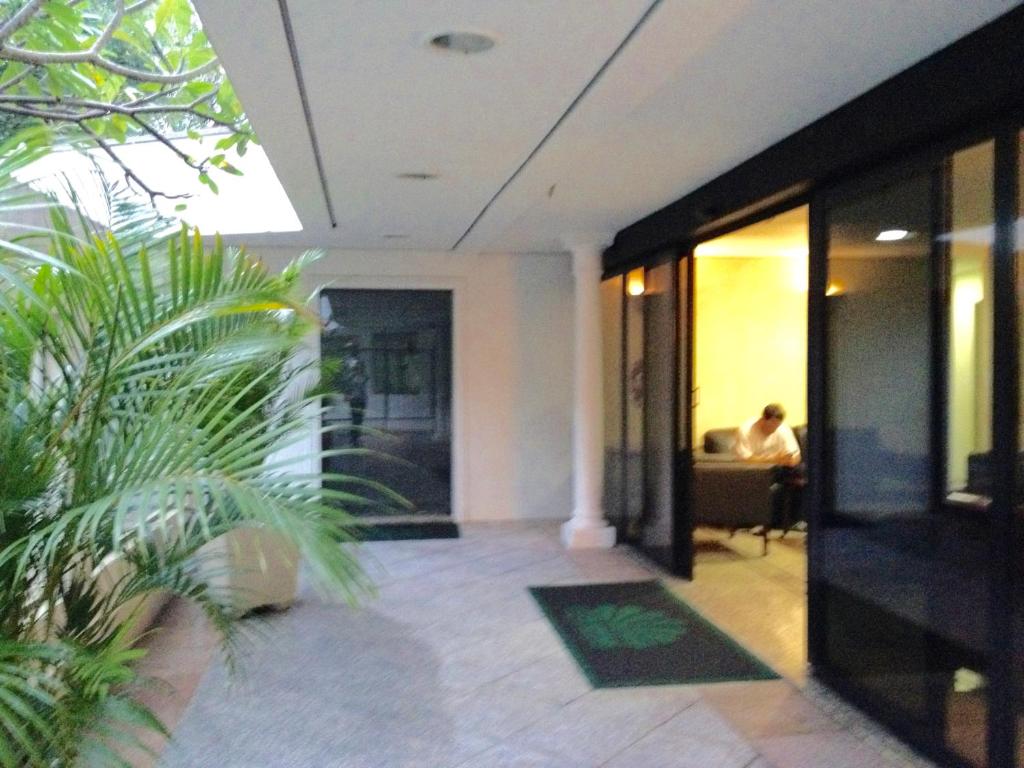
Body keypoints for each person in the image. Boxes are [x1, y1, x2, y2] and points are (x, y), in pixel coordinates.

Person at [735, 403, 804, 530]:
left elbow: (796, 456)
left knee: (800, 472)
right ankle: (758, 521)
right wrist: (775, 458)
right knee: (759, 477)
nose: (773, 429)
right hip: (753, 470)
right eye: (770, 425)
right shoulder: (746, 429)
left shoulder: (783, 429)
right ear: (762, 420)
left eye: (776, 426)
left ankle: (797, 520)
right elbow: (746, 459)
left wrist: (791, 460)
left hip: (779, 468)